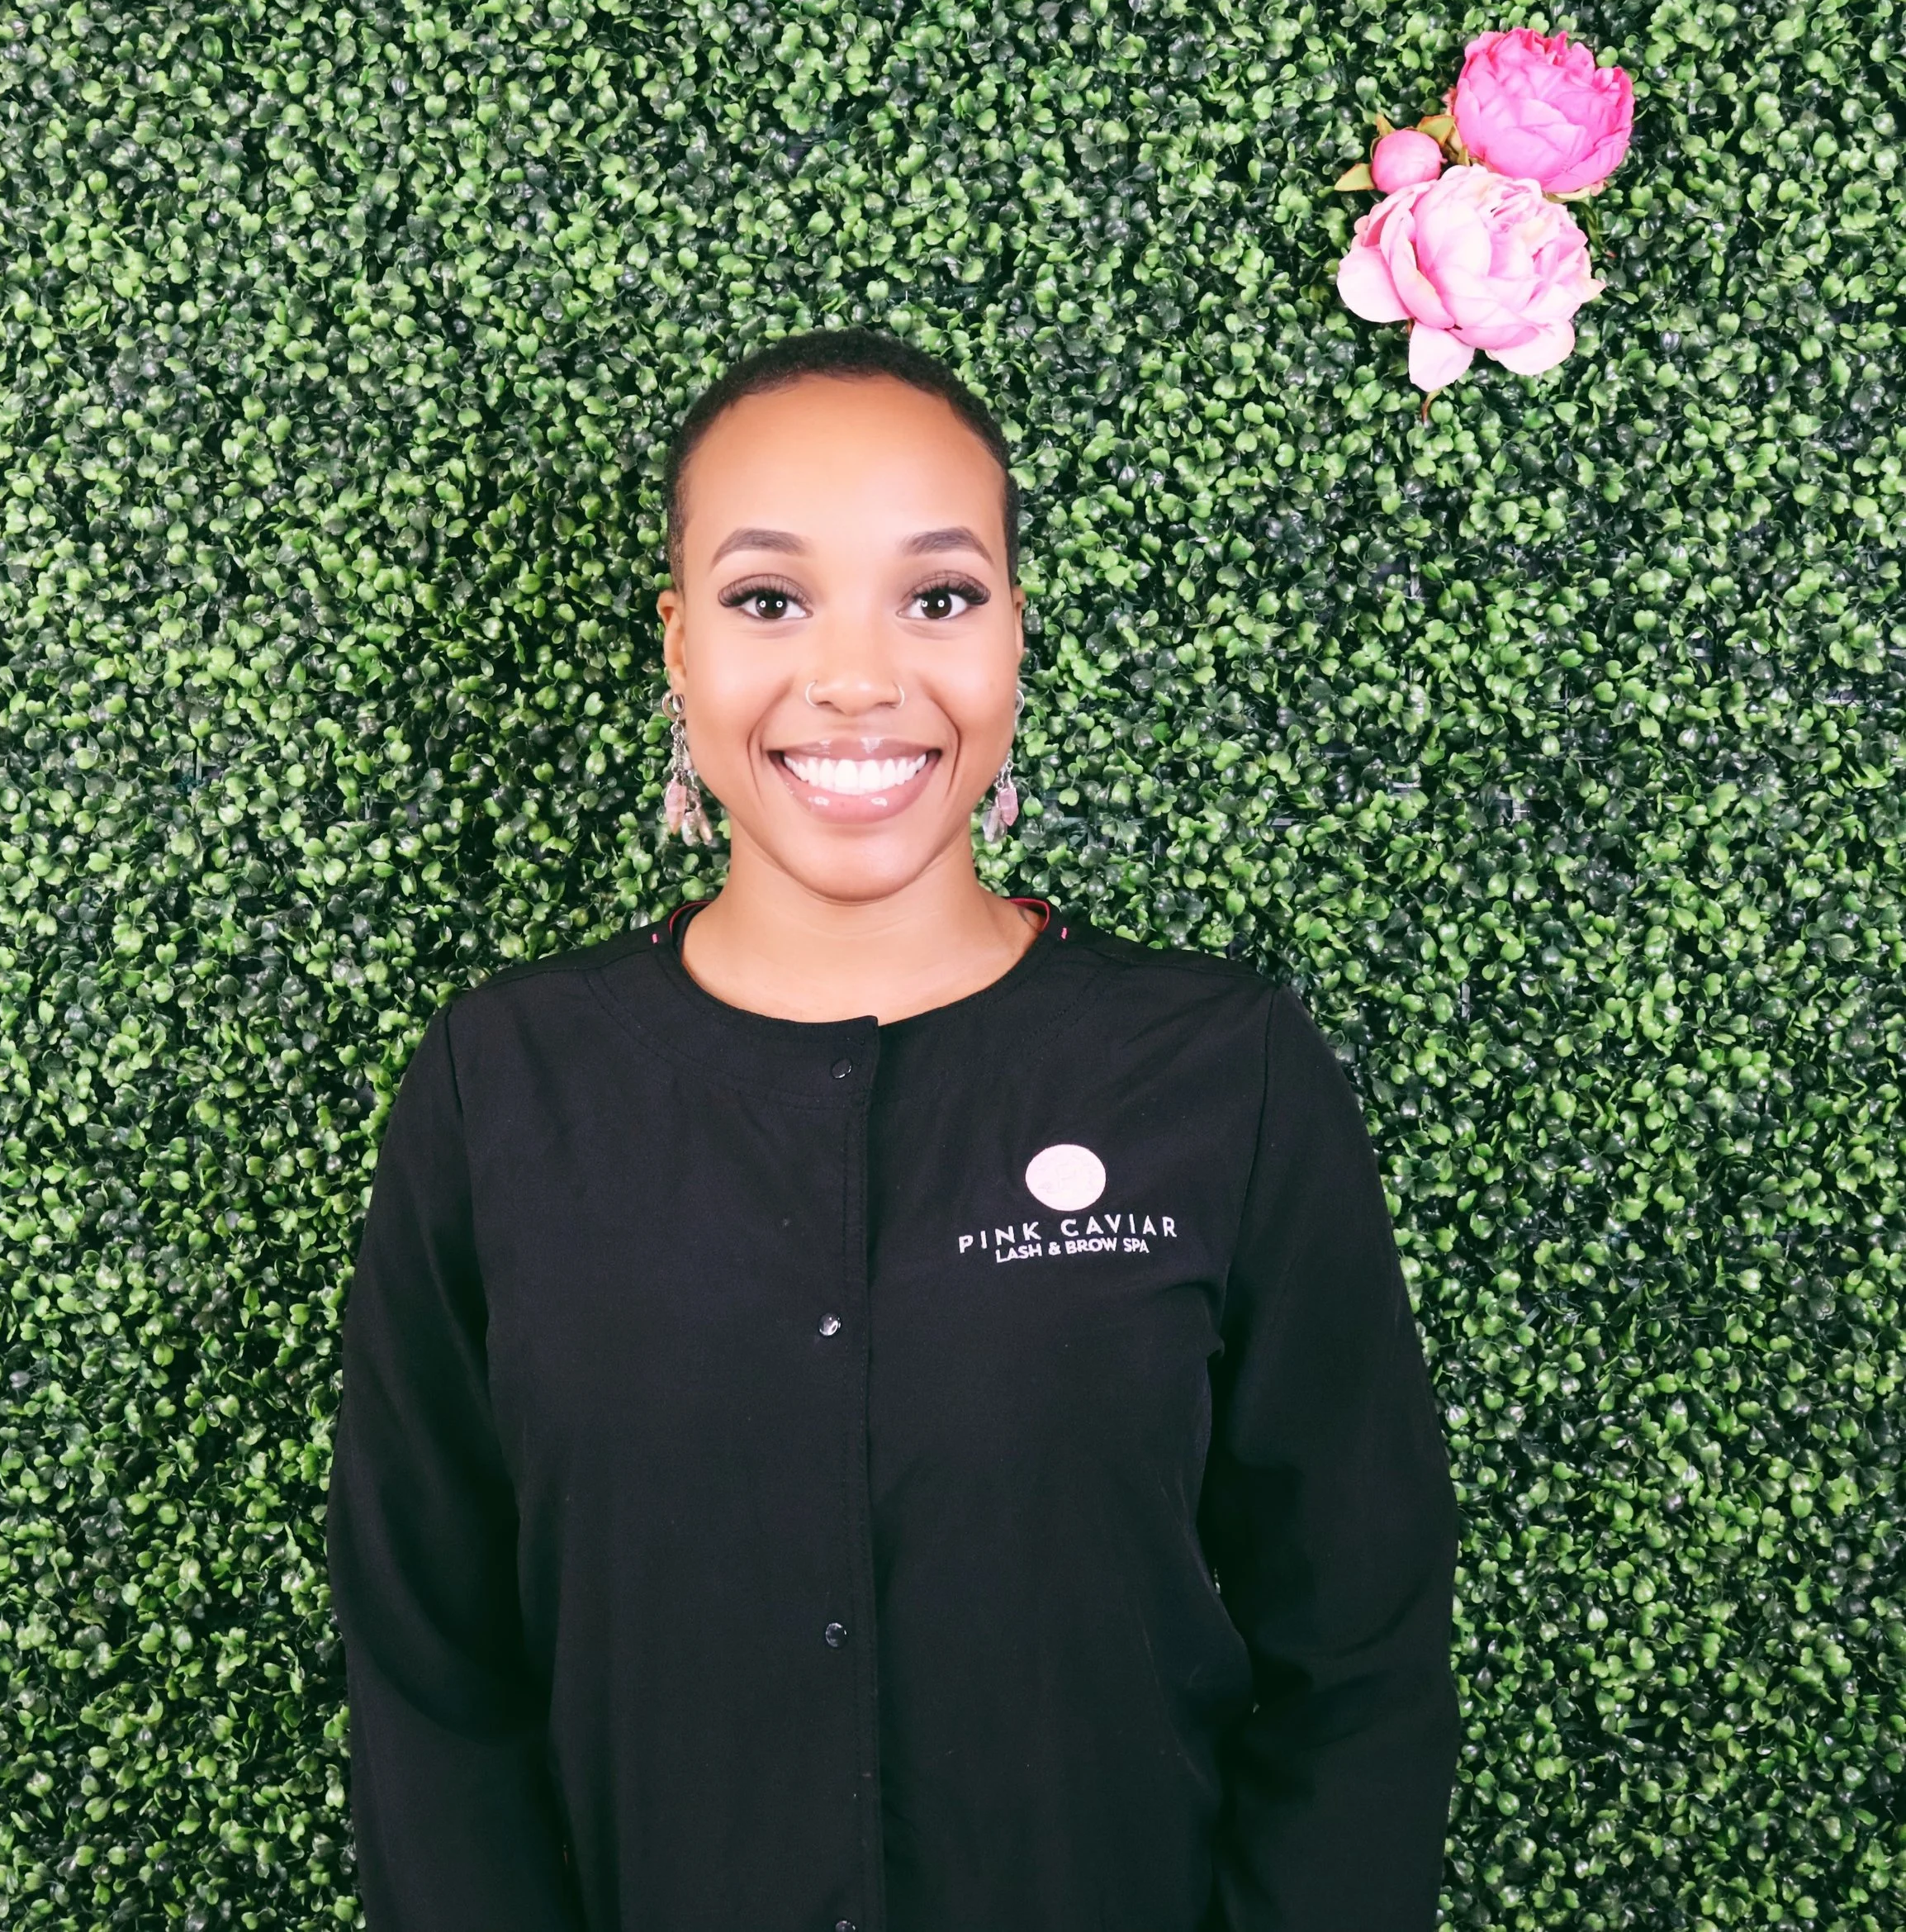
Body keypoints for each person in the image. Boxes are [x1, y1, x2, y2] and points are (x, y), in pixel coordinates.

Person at [325, 329, 1462, 1932]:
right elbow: (432, 1677)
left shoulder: (1221, 1071)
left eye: (937, 595)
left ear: (1012, 635)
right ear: (677, 643)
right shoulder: (501, 1082)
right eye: (767, 596)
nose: (855, 676)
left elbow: (1355, 1649)